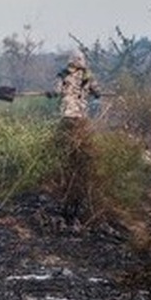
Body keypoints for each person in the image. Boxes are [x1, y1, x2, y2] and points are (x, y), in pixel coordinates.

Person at [47, 50, 102, 222]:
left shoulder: (62, 74)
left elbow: (55, 91)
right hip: (80, 118)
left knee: (61, 150)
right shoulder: (88, 75)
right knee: (82, 153)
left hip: (66, 117)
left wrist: (52, 94)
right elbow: (97, 92)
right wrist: (95, 93)